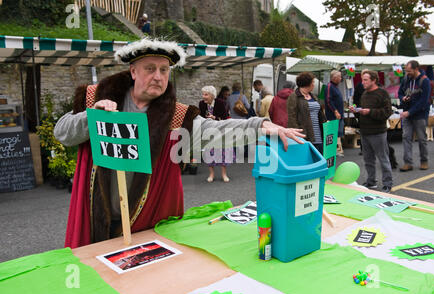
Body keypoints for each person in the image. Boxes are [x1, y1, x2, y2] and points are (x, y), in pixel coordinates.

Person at [53, 38, 305, 248]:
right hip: (95, 219)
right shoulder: (95, 97)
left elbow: (215, 131)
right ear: (133, 71)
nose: (158, 76)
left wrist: (260, 125)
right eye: (150, 68)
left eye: (164, 70)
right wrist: (92, 116)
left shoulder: (176, 117)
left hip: (145, 225)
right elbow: (62, 132)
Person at [349, 70, 393, 193]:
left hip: (378, 131)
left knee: (383, 158)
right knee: (368, 159)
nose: (362, 82)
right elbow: (363, 114)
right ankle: (371, 181)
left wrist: (370, 112)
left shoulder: (382, 93)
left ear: (373, 80)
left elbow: (387, 112)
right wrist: (356, 112)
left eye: (365, 80)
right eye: (362, 80)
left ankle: (387, 183)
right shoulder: (364, 94)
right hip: (364, 131)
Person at [398, 60, 432, 171]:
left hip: (420, 114)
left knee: (422, 139)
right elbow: (400, 92)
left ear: (416, 69)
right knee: (406, 137)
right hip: (407, 113)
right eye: (406, 71)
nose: (407, 73)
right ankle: (408, 163)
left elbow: (424, 101)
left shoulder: (424, 81)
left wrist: (410, 112)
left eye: (409, 71)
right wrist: (402, 98)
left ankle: (424, 161)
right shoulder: (406, 79)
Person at [198, 86, 233, 183]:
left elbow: (225, 118)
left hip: (220, 131)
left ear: (212, 96)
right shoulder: (201, 104)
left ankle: (224, 174)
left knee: (222, 152)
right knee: (209, 153)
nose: (203, 96)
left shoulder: (220, 103)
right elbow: (200, 117)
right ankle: (211, 174)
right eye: (203, 94)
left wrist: (215, 118)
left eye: (206, 94)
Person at [287, 72, 327, 154]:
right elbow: (292, 117)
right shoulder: (294, 96)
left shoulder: (313, 96)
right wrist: (299, 135)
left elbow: (319, 114)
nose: (314, 84)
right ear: (307, 83)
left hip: (318, 135)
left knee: (319, 158)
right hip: (305, 135)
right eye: (313, 82)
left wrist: (326, 123)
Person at [325, 70, 345, 156]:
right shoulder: (329, 86)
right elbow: (328, 100)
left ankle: (336, 150)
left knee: (337, 133)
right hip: (333, 115)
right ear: (334, 78)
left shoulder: (335, 86)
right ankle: (332, 151)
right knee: (333, 133)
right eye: (339, 77)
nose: (341, 78)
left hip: (339, 115)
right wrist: (335, 111)